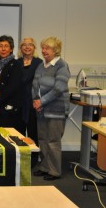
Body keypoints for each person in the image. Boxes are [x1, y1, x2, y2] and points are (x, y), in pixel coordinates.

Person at [32, 37, 70, 181]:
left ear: (55, 50)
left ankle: (54, 171)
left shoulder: (61, 65)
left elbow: (59, 88)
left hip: (56, 110)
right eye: (43, 48)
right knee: (42, 139)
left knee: (53, 141)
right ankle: (45, 167)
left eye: (47, 48)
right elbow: (35, 85)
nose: (43, 51)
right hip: (41, 109)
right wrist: (35, 100)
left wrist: (41, 101)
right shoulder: (42, 65)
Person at [0, 35, 24, 134]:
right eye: (0, 46)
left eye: (6, 46)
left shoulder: (15, 65)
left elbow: (12, 87)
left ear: (11, 49)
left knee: (7, 138)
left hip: (8, 109)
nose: (3, 49)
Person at [17, 37, 42, 166]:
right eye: (24, 45)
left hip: (33, 102)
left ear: (34, 48)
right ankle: (21, 158)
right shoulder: (17, 63)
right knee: (19, 132)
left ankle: (33, 159)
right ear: (20, 48)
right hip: (19, 102)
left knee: (33, 131)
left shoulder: (39, 63)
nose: (27, 47)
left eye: (30, 45)